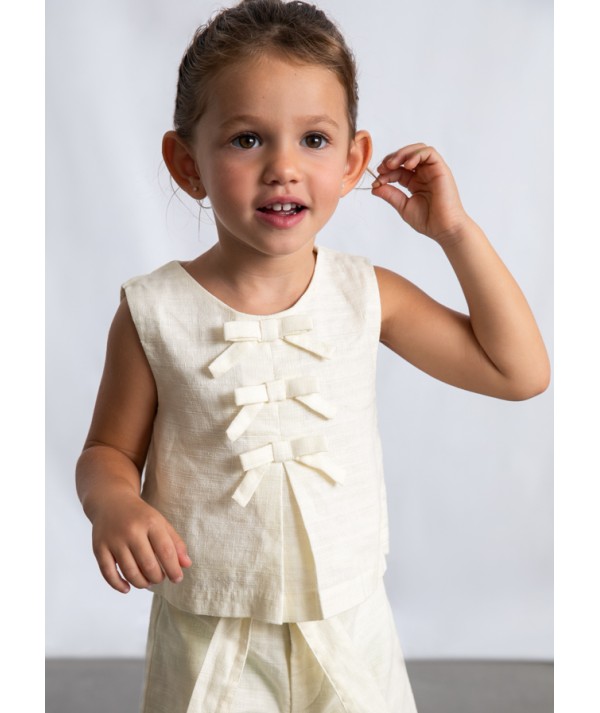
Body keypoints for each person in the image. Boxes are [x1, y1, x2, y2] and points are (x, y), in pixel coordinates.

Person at [75, 0, 550, 711]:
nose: (284, 168)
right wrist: (112, 500)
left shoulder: (368, 294)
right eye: (247, 139)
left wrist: (454, 231)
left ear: (354, 160)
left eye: (315, 139)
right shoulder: (154, 310)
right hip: (213, 632)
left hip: (349, 624)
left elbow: (520, 373)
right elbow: (108, 450)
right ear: (187, 164)